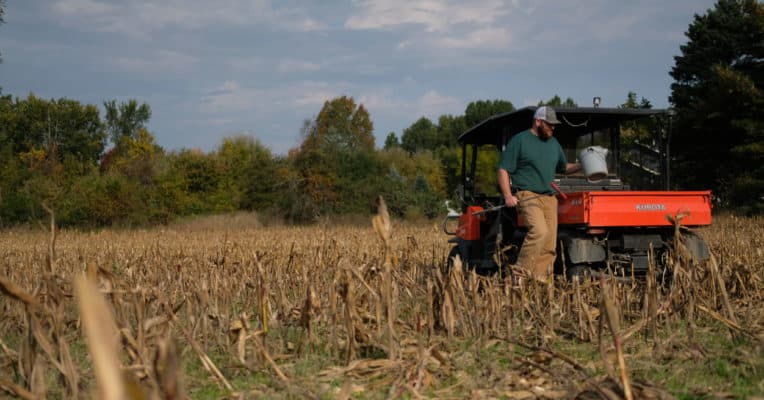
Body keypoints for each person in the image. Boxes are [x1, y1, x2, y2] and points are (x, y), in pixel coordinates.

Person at [497, 106, 581, 282]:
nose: (553, 128)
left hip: (550, 198)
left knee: (550, 244)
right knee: (539, 231)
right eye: (549, 124)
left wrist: (583, 165)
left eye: (554, 125)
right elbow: (504, 169)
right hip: (528, 195)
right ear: (538, 122)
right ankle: (518, 276)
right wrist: (507, 195)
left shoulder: (553, 143)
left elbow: (563, 168)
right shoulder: (520, 141)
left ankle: (539, 281)